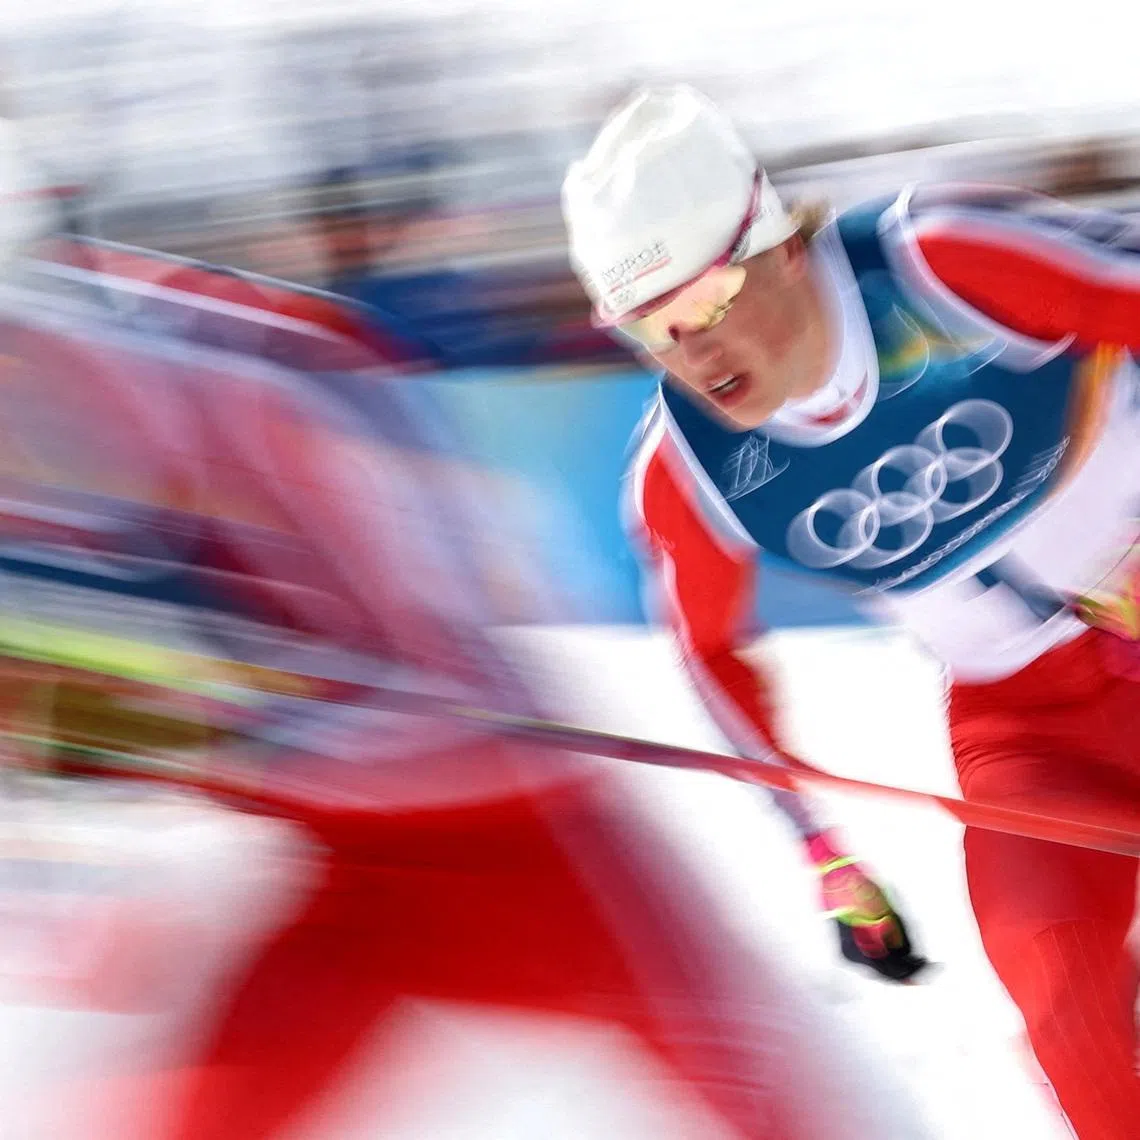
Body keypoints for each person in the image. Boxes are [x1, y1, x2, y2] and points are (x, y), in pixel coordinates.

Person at [0, 148, 934, 1138]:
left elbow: (417, 644)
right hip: (351, 876)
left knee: (786, 1109)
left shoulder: (228, 383)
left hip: (519, 829)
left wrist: (170, 716)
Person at [562, 84, 1140, 1140]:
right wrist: (822, 853)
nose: (689, 354)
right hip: (1030, 726)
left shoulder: (939, 264)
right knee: (1061, 1001)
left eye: (701, 303)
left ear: (777, 242)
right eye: (647, 330)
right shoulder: (688, 472)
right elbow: (709, 655)